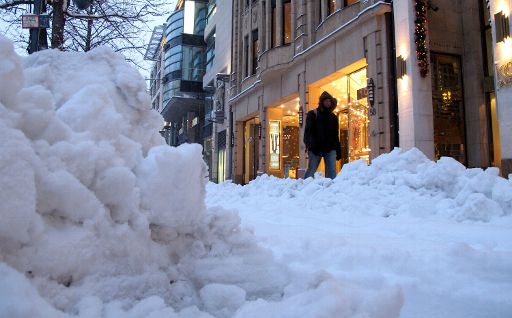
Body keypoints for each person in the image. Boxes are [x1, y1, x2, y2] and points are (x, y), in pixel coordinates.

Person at [303, 91, 342, 179]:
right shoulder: (313, 114)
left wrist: (338, 150)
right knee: (311, 170)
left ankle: (330, 190)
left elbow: (336, 135)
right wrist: (309, 145)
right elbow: (307, 132)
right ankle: (304, 188)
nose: (328, 102)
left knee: (332, 172)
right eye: (326, 101)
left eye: (330, 101)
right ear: (321, 102)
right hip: (316, 148)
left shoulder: (333, 117)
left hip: (330, 148)